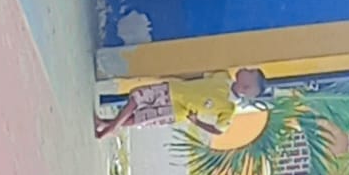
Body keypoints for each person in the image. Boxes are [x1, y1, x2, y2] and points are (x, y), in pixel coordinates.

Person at [94, 67, 266, 140]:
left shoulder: (229, 108)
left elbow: (219, 130)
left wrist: (197, 122)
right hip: (172, 89)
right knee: (137, 98)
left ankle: (108, 125)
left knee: (140, 118)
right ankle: (111, 126)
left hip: (177, 111)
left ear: (246, 87)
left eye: (249, 72)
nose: (245, 69)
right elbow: (199, 78)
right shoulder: (223, 76)